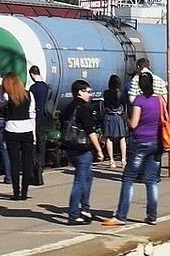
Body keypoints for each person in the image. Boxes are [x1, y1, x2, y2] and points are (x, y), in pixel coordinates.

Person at [103, 72, 163, 227]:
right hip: (156, 143)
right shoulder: (160, 100)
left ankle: (121, 216)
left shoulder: (139, 100)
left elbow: (134, 124)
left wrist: (125, 118)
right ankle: (152, 215)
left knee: (128, 178)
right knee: (151, 180)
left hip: (140, 143)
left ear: (139, 86)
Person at [60, 79, 103, 224]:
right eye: (88, 91)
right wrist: (99, 150)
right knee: (79, 181)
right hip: (82, 149)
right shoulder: (84, 109)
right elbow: (90, 131)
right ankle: (73, 214)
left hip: (70, 148)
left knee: (87, 177)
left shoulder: (68, 107)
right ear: (80, 92)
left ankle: (85, 209)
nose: (90, 94)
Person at [2, 73, 36, 200]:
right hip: (27, 129)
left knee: (14, 162)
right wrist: (34, 133)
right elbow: (32, 114)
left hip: (11, 129)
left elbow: (0, 103)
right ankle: (24, 193)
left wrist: (2, 91)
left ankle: (16, 192)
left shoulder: (6, 96)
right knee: (27, 162)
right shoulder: (29, 95)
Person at [102, 74, 127, 167]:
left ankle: (111, 160)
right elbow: (124, 105)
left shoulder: (106, 93)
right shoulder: (121, 94)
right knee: (122, 138)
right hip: (118, 117)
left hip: (108, 116)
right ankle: (123, 160)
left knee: (109, 138)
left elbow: (105, 104)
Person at [28, 65, 50, 174]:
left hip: (35, 116)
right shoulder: (46, 87)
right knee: (42, 140)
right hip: (43, 116)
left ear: (32, 74)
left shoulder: (33, 88)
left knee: (34, 140)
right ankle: (41, 162)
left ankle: (35, 163)